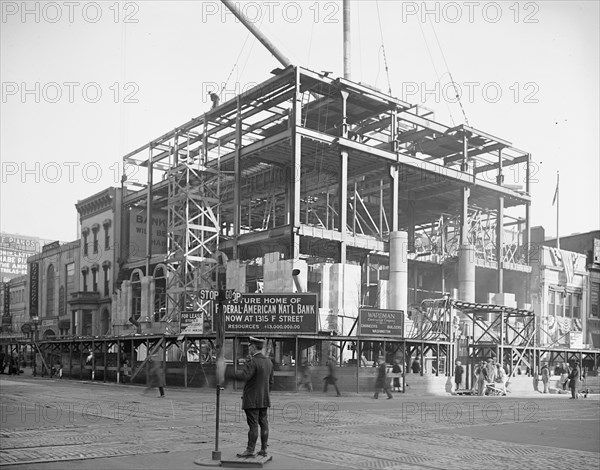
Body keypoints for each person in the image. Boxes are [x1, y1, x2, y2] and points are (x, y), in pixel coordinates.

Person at [224, 337, 274, 458]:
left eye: (249, 347)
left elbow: (244, 376)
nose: (248, 349)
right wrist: (264, 393)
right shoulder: (269, 362)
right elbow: (271, 382)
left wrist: (227, 373)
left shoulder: (253, 362)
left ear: (253, 347)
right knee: (264, 423)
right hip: (264, 399)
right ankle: (263, 449)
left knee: (253, 425)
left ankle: (250, 450)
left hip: (252, 399)